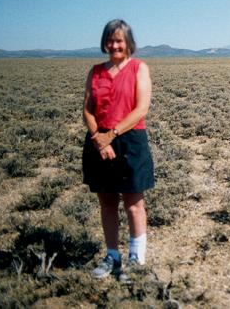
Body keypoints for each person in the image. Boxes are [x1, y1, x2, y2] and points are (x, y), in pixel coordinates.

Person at [82, 19, 154, 280]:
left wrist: (110, 135)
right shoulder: (96, 71)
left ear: (128, 43)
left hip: (129, 141)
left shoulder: (139, 68)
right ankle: (112, 255)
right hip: (98, 141)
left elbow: (141, 109)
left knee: (134, 204)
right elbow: (88, 109)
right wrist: (98, 137)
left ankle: (136, 260)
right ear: (105, 42)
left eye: (119, 40)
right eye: (110, 40)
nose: (114, 45)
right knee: (107, 203)